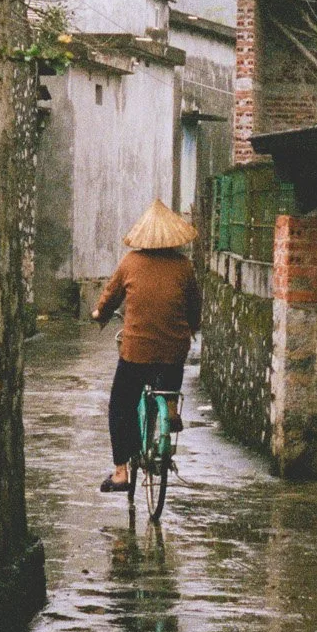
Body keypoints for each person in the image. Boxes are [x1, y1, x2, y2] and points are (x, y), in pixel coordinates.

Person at [92, 199, 202, 492]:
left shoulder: (130, 262)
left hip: (137, 350)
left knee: (119, 405)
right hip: (173, 350)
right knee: (171, 363)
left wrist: (99, 313)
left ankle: (120, 473)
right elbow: (194, 307)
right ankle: (170, 406)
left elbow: (110, 295)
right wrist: (193, 326)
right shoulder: (184, 267)